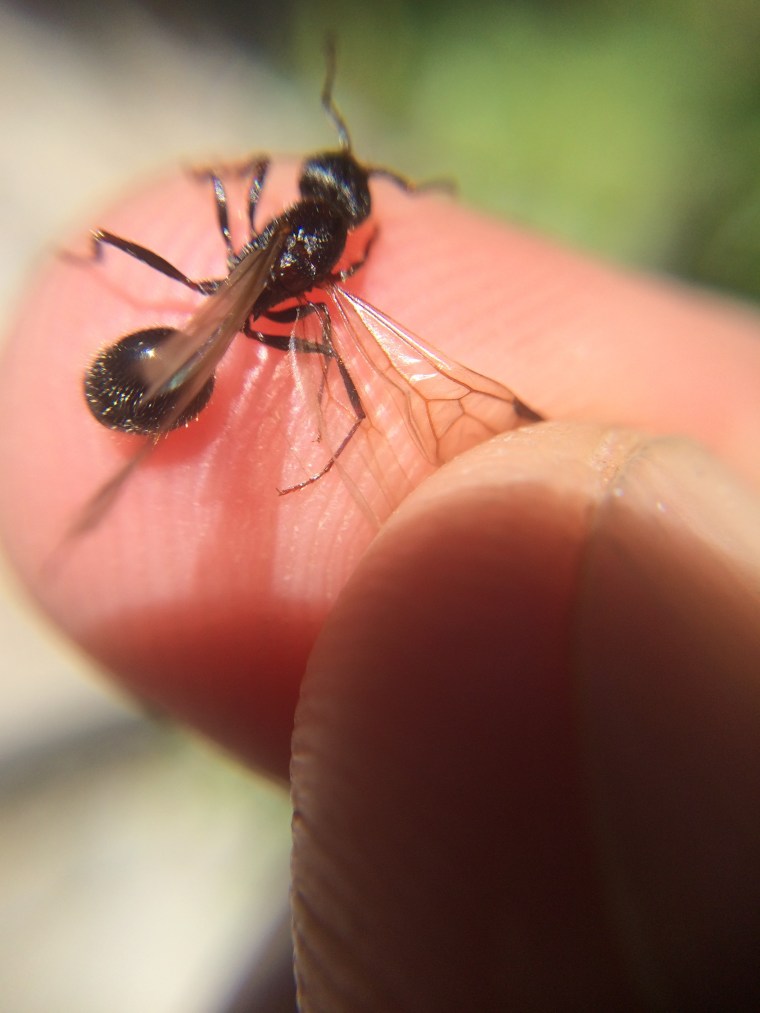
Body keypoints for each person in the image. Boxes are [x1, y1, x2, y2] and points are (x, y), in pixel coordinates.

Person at [1, 169, 759, 1009]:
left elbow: (238, 212)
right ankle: (104, 412)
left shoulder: (280, 250)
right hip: (166, 369)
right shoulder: (307, 280)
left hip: (183, 353)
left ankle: (95, 278)